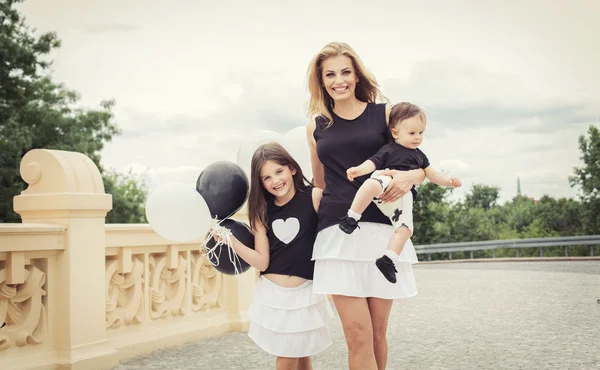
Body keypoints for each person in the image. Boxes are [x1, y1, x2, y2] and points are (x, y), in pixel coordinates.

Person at [305, 41, 426, 370]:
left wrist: (409, 178)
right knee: (357, 334)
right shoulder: (315, 126)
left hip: (382, 232)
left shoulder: (385, 114)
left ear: (357, 75)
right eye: (330, 74)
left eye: (345, 71)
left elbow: (417, 164)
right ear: (322, 80)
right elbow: (320, 183)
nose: (338, 80)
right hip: (338, 232)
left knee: (376, 333)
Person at [213, 142, 333, 370]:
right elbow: (262, 261)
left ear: (292, 169)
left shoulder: (315, 196)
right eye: (266, 178)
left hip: (306, 293)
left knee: (303, 357)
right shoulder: (262, 210)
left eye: (279, 171)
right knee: (288, 359)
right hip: (275, 297)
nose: (275, 181)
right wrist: (231, 242)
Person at [342, 102, 462, 283]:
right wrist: (358, 170)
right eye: (412, 133)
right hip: (386, 183)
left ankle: (388, 259)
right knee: (370, 184)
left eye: (421, 132)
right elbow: (372, 163)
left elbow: (433, 175)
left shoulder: (420, 156)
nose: (418, 137)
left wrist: (448, 181)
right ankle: (352, 217)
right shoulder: (389, 150)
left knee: (405, 230)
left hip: (402, 198)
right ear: (396, 132)